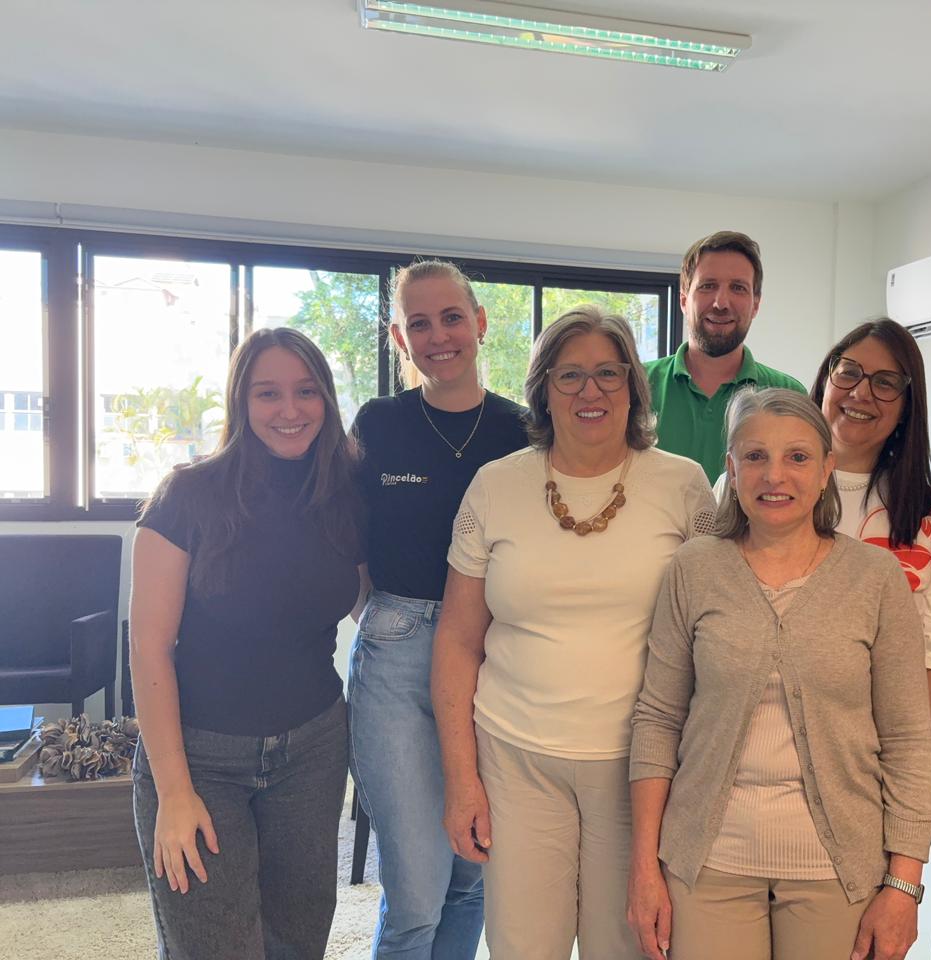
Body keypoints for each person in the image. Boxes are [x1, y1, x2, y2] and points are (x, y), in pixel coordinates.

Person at [432, 305, 715, 960]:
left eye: (609, 373)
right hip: (515, 758)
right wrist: (461, 779)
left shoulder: (683, 486)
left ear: (633, 387)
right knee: (523, 946)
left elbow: (713, 634)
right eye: (570, 375)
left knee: (627, 945)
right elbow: (457, 640)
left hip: (640, 768)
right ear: (543, 390)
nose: (592, 391)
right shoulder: (494, 486)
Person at [628, 387, 931, 960]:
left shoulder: (875, 578)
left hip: (837, 870)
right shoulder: (694, 568)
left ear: (825, 470)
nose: (775, 475)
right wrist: (644, 867)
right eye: (755, 456)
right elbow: (657, 720)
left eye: (797, 457)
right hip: (706, 864)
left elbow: (908, 740)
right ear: (731, 468)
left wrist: (903, 884)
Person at [131, 327, 365, 960]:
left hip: (314, 751)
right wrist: (174, 792)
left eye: (306, 391)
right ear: (241, 400)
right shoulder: (188, 494)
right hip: (200, 757)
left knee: (297, 941)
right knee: (211, 945)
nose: (290, 409)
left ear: (326, 399)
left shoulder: (345, 492)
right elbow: (149, 648)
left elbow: (370, 600)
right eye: (268, 393)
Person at [347, 259, 528, 959]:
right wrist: (379, 614)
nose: (439, 335)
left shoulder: (522, 428)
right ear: (400, 339)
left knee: (472, 874)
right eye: (418, 324)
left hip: (496, 656)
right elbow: (349, 532)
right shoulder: (380, 422)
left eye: (452, 317)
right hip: (398, 657)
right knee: (417, 893)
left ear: (479, 323)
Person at [810, 319, 931, 819]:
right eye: (849, 372)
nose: (861, 392)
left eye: (886, 383)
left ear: (907, 407)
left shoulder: (925, 517)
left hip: (867, 779)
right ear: (825, 379)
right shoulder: (755, 484)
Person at [646, 231, 806, 481]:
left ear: (755, 305)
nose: (721, 303)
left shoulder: (789, 394)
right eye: (708, 286)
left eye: (738, 288)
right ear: (684, 300)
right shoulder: (637, 385)